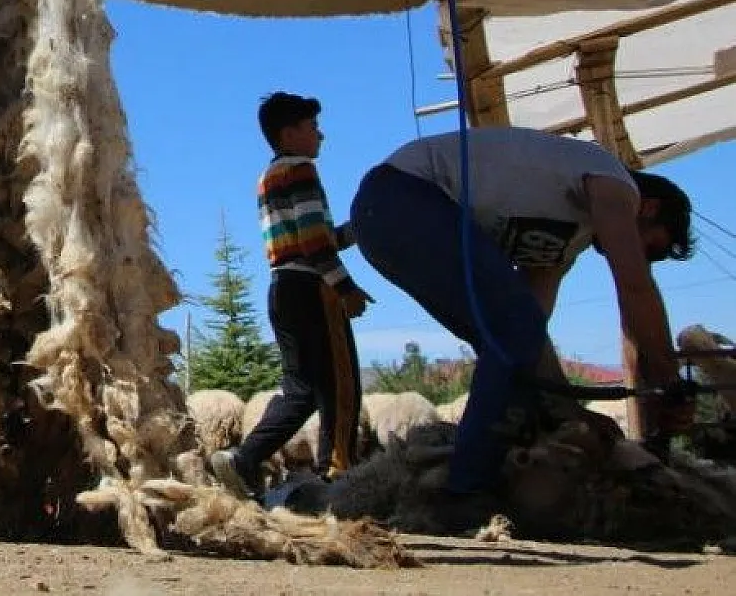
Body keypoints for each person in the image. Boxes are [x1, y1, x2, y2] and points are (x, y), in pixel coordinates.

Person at [346, 125, 696, 526]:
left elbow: (530, 333)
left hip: (384, 213)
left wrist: (569, 411)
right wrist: (671, 383)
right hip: (404, 194)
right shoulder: (615, 183)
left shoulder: (565, 241)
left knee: (506, 342)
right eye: (651, 246)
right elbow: (634, 286)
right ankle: (464, 490)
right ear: (648, 208)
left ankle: (487, 475)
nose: (643, 256)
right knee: (510, 333)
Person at [211, 92, 370, 503]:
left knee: (301, 392)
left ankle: (245, 458)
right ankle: (337, 475)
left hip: (282, 289)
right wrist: (345, 288)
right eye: (312, 126)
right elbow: (316, 244)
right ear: (289, 133)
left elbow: (307, 239)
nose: (321, 135)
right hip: (311, 289)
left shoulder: (268, 178)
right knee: (339, 386)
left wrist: (359, 231)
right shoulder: (301, 171)